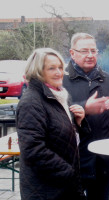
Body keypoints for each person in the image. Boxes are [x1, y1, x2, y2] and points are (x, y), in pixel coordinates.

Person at [16, 48, 87, 200]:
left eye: (60, 67)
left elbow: (63, 138)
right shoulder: (31, 102)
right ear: (37, 71)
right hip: (46, 190)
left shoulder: (59, 96)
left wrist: (78, 123)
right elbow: (33, 150)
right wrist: (68, 172)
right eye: (51, 68)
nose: (59, 72)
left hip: (63, 186)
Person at [63, 32, 109, 200]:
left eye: (93, 51)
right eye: (84, 51)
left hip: (104, 160)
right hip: (73, 161)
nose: (90, 55)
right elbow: (53, 116)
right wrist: (84, 108)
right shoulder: (62, 81)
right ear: (72, 53)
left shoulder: (108, 80)